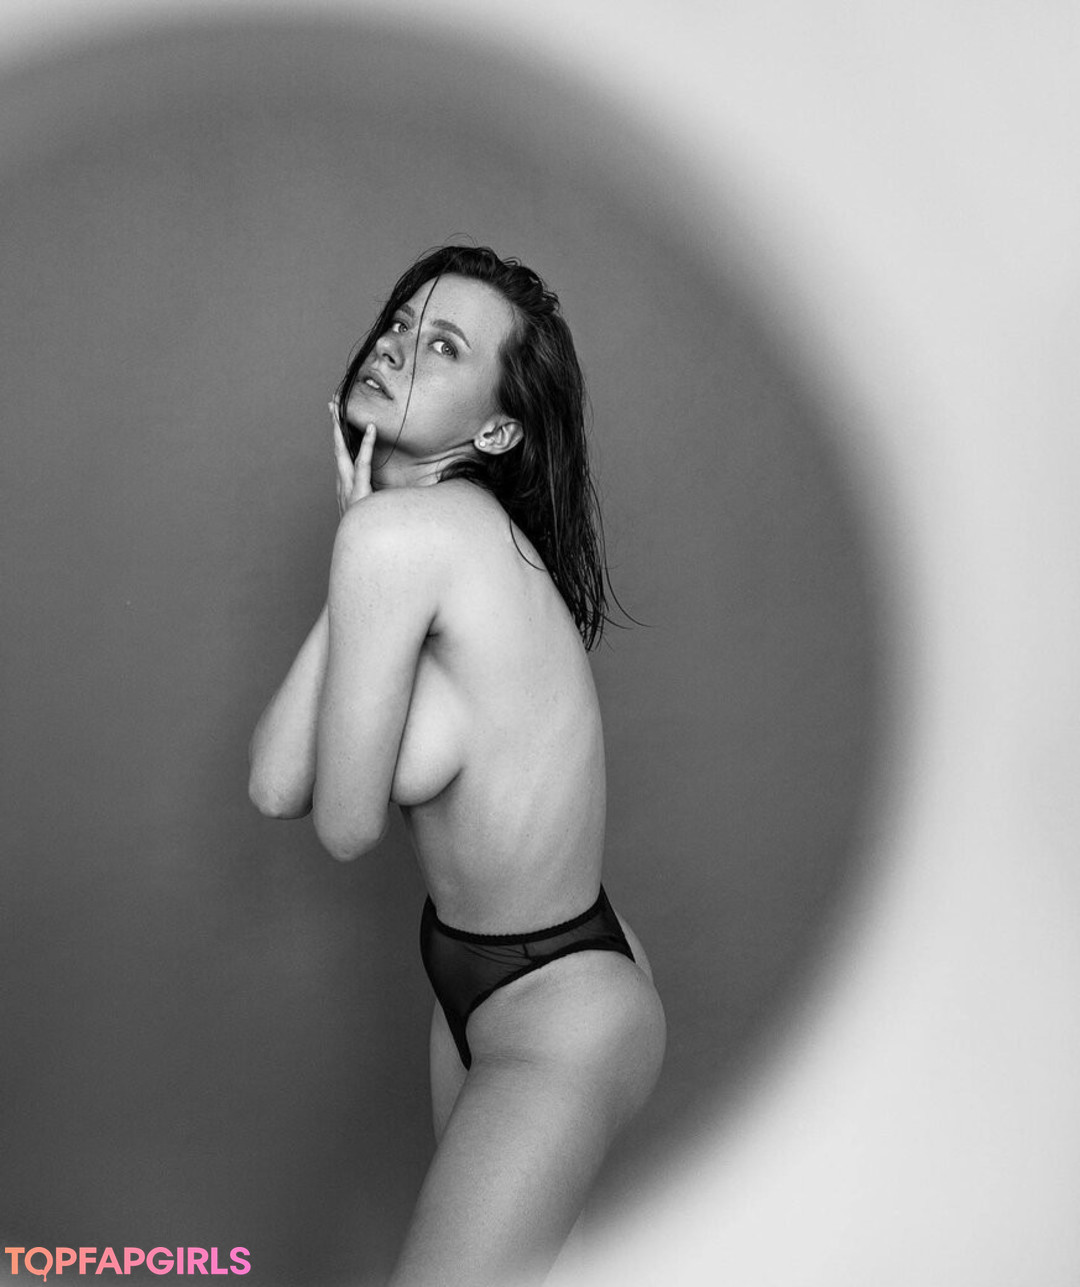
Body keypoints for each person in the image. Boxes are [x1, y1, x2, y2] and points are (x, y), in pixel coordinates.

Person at [248, 245, 665, 1286]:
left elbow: (344, 826)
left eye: (443, 347)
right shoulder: (414, 538)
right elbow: (274, 782)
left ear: (497, 431)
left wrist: (368, 541)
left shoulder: (410, 540)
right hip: (490, 978)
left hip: (558, 1014)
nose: (396, 348)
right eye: (401, 322)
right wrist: (359, 539)